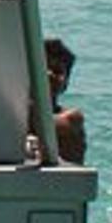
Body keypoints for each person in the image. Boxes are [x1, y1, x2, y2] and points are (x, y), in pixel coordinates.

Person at [45, 37, 86, 165]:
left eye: (57, 71)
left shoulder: (72, 119)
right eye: (43, 67)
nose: (49, 74)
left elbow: (42, 125)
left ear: (65, 84)